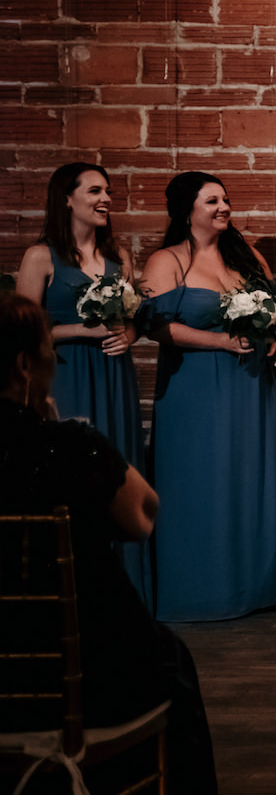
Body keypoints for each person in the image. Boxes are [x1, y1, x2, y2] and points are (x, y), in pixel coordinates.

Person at [0, 294, 222, 795]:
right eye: (51, 349)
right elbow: (143, 516)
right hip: (72, 668)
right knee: (171, 662)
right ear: (27, 364)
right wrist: (56, 430)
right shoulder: (65, 445)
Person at [143, 171, 276, 622]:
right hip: (194, 388)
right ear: (187, 210)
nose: (223, 207)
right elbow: (157, 327)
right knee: (199, 479)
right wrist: (221, 343)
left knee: (248, 475)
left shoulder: (245, 256)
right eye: (212, 201)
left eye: (225, 199)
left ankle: (256, 586)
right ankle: (201, 589)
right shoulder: (165, 259)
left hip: (250, 385)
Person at [14, 162, 150, 600]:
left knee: (119, 467)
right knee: (75, 474)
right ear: (66, 199)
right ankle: (77, 592)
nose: (105, 198)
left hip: (115, 376)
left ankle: (127, 592)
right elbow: (19, 331)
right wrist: (78, 331)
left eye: (107, 191)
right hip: (67, 374)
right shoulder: (41, 257)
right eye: (94, 191)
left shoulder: (120, 258)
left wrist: (128, 334)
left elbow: (135, 320)